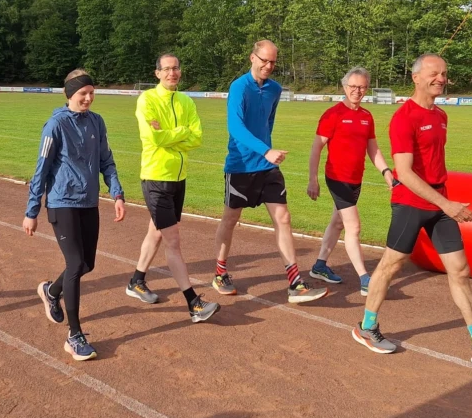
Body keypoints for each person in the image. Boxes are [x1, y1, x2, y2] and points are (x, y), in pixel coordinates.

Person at [351, 53, 472, 367]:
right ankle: (367, 327)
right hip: (411, 204)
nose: (441, 79)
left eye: (444, 74)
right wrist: (446, 204)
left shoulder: (441, 115)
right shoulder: (404, 118)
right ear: (416, 77)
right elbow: (403, 173)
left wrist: (444, 203)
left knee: (460, 270)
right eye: (434, 73)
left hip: (440, 203)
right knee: (392, 266)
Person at [212, 40, 327, 304]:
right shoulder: (239, 87)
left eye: (273, 61)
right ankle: (220, 273)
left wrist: (267, 153)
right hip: (241, 165)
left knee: (283, 218)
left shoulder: (275, 89)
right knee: (230, 220)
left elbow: (268, 121)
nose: (268, 65)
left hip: (267, 167)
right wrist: (264, 150)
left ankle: (295, 282)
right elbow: (235, 127)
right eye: (264, 60)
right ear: (252, 58)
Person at [23, 69, 126, 362]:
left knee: (87, 264)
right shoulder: (55, 125)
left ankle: (51, 291)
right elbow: (41, 169)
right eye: (83, 94)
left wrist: (116, 193)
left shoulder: (97, 122)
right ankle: (74, 335)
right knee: (75, 263)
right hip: (61, 202)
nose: (89, 98)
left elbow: (107, 160)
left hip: (88, 202)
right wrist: (32, 211)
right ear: (69, 94)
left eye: (92, 92)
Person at [125, 54, 220, 323]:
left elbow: (198, 137)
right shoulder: (147, 100)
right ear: (157, 73)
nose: (172, 73)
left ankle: (136, 281)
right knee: (173, 241)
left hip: (179, 178)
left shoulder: (186, 100)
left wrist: (172, 135)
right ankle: (193, 303)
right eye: (166, 69)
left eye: (176, 68)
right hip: (156, 178)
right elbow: (154, 136)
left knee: (156, 232)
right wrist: (182, 133)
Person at [307, 67, 395, 295]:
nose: (357, 91)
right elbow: (317, 147)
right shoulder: (332, 114)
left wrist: (386, 172)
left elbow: (372, 148)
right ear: (344, 87)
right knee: (353, 227)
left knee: (337, 223)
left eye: (362, 87)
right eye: (353, 86)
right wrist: (312, 180)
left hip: (356, 179)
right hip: (337, 178)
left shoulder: (366, 117)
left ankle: (319, 266)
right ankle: (365, 279)